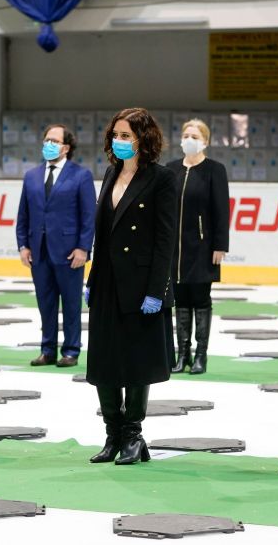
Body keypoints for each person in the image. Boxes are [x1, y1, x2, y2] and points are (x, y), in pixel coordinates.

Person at [85, 107, 177, 466]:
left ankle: (133, 437)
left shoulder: (161, 178)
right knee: (105, 362)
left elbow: (165, 239)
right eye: (115, 135)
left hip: (141, 285)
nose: (118, 142)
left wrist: (157, 289)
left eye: (126, 136)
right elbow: (103, 236)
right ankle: (112, 434)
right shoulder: (110, 173)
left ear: (144, 139)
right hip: (107, 280)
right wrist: (92, 279)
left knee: (137, 362)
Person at [16, 123, 96, 367]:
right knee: (45, 303)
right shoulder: (31, 176)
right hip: (38, 251)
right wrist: (23, 245)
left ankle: (71, 350)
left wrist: (84, 248)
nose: (48, 144)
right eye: (46, 140)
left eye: (54, 141)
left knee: (71, 303)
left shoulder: (81, 175)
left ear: (66, 147)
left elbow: (88, 215)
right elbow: (23, 214)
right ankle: (47, 349)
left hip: (70, 252)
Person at [165, 119, 229, 375]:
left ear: (205, 141)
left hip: (202, 248)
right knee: (180, 301)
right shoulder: (171, 170)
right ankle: (183, 355)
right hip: (174, 251)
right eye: (185, 134)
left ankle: (201, 356)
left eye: (194, 135)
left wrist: (220, 245)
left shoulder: (215, 170)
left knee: (200, 300)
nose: (189, 139)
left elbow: (221, 210)